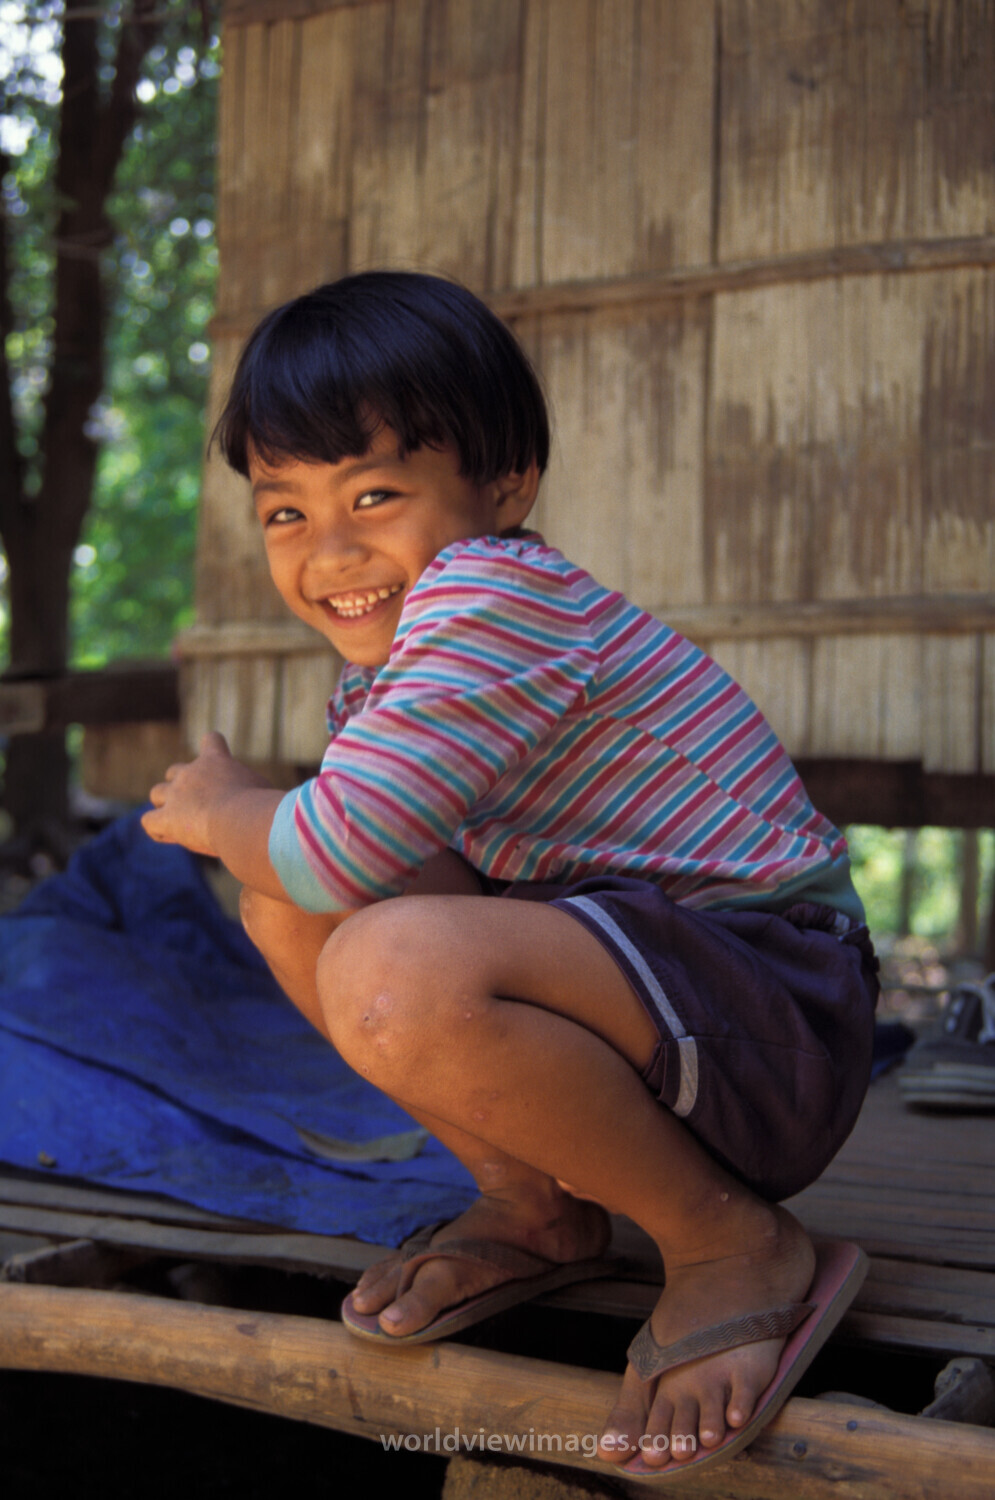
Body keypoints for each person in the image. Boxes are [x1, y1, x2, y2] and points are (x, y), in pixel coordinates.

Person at [143, 271, 878, 1477]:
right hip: (658, 1008)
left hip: (770, 1021)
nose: (329, 551)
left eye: (375, 494)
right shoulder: (409, 652)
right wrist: (262, 839)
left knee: (369, 937)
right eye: (285, 513)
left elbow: (339, 843)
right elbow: (329, 864)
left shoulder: (492, 599)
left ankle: (724, 1244)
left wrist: (224, 807)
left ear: (503, 487)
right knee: (290, 905)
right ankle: (537, 1208)